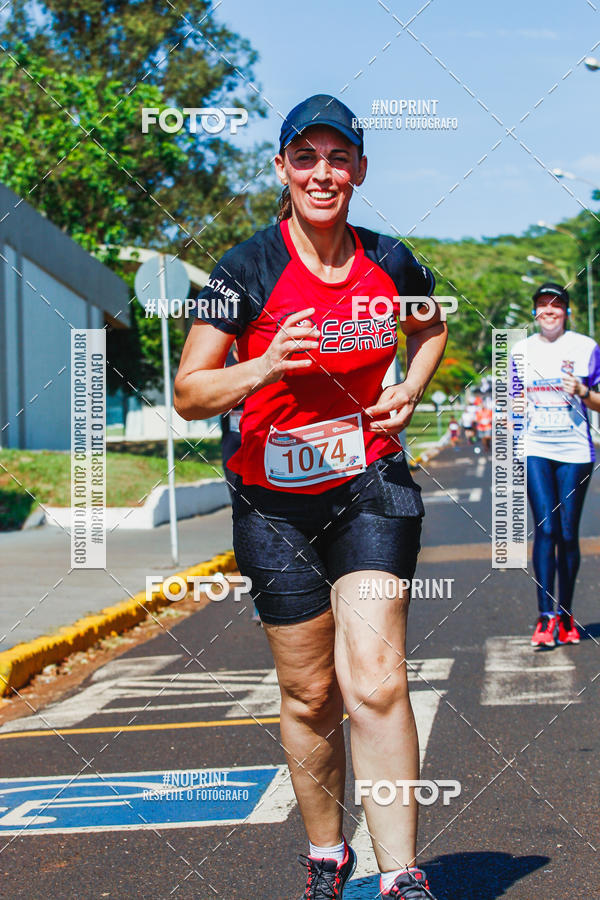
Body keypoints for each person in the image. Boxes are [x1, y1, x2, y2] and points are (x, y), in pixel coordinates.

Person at [174, 94, 447, 899]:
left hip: (370, 482)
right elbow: (191, 392)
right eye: (305, 157)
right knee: (310, 691)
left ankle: (401, 875)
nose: (321, 172)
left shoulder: (390, 261)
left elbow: (429, 328)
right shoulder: (246, 268)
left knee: (375, 679)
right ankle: (327, 852)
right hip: (274, 500)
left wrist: (412, 390)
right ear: (283, 169)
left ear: (359, 169)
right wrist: (265, 365)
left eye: (337, 158)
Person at [511, 282, 600, 650]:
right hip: (535, 446)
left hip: (575, 449)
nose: (549, 311)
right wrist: (513, 426)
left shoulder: (585, 348)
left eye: (556, 305)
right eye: (542, 305)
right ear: (534, 312)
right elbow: (514, 400)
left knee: (567, 532)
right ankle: (545, 617)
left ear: (566, 311)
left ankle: (565, 615)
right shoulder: (521, 350)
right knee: (545, 526)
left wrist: (581, 391)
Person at [220, 345, 261, 623]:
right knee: (247, 524)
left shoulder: (263, 352)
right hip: (234, 452)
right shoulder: (219, 359)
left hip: (268, 447)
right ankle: (260, 596)